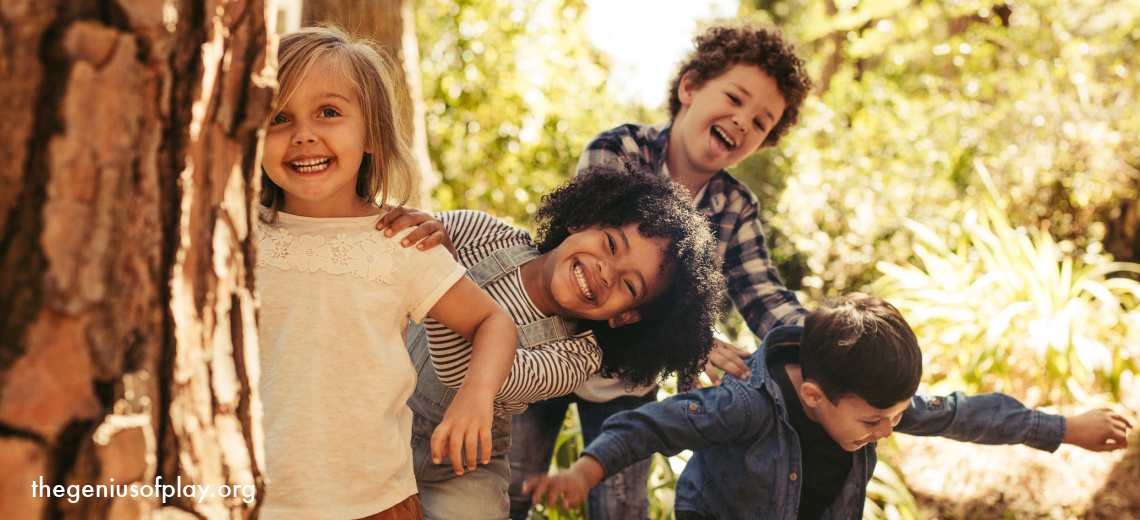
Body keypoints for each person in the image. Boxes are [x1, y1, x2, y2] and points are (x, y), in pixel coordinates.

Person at [505, 23, 815, 519]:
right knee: (510, 486)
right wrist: (694, 340)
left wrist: (822, 347)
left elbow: (763, 294)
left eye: (760, 123)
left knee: (622, 506)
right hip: (544, 350)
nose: (741, 122)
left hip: (627, 381)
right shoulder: (619, 151)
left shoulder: (735, 206)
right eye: (734, 99)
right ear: (690, 87)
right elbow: (588, 272)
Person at [522, 294, 1134, 520]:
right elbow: (654, 423)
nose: (888, 432)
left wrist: (1065, 428)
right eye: (874, 422)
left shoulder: (873, 404)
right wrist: (587, 470)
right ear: (814, 398)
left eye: (894, 417)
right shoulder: (746, 407)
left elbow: (963, 412)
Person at [254, 25, 518, 520]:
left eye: (328, 112)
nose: (304, 133)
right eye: (279, 117)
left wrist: (476, 398)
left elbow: (493, 322)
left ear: (372, 130)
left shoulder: (401, 242)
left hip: (374, 504)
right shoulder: (234, 237)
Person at [406, 163, 725, 520]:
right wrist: (417, 235)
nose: (607, 270)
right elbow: (398, 245)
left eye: (630, 286)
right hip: (384, 399)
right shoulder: (486, 234)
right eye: (610, 243)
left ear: (625, 316)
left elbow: (461, 371)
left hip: (456, 467)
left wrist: (439, 272)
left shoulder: (574, 359)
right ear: (583, 219)